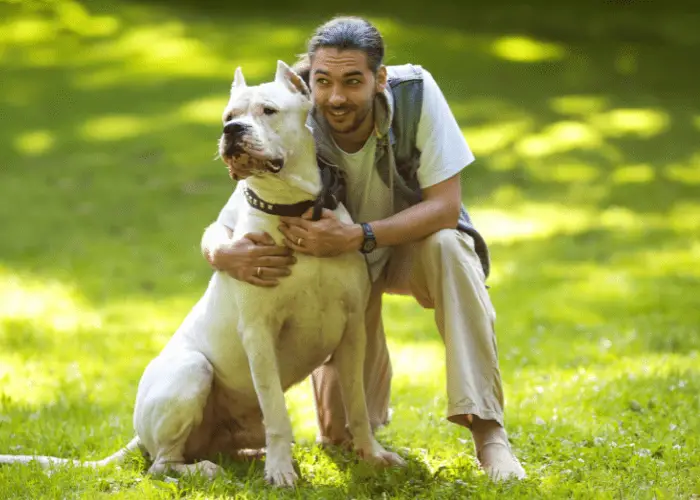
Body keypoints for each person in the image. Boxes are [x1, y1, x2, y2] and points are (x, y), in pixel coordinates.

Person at [202, 16, 526, 481]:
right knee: (341, 438)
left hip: (404, 245)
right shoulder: (291, 111)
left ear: (380, 79)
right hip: (338, 265)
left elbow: (446, 207)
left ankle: (489, 434)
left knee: (452, 249)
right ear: (308, 81)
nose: (336, 97)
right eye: (324, 82)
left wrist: (360, 235)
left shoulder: (415, 95)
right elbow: (230, 215)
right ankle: (351, 426)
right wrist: (220, 252)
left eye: (353, 81)